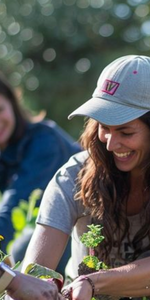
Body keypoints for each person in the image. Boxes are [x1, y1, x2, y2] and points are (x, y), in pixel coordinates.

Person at [17, 55, 150, 300]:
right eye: (104, 127)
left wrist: (93, 282)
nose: (111, 144)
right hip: (88, 290)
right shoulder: (72, 174)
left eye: (125, 132)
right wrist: (39, 288)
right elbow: (35, 272)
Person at [0, 73, 81, 271]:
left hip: (91, 229)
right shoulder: (4, 153)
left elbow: (13, 207)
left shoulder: (44, 142)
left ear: (12, 103)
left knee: (23, 249)